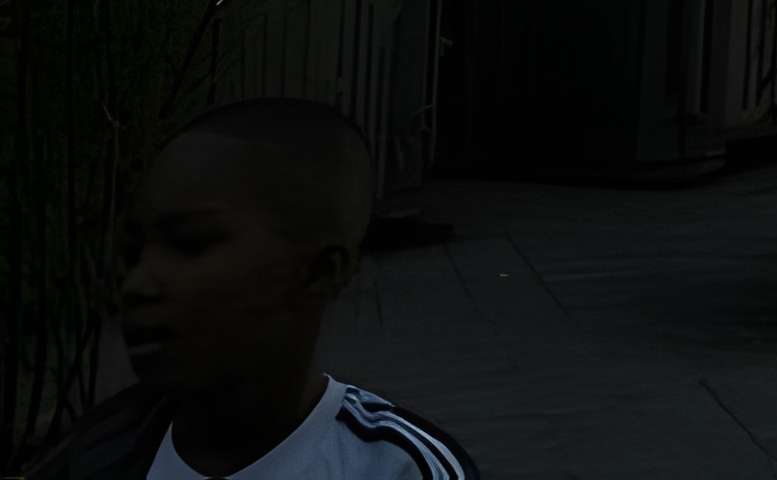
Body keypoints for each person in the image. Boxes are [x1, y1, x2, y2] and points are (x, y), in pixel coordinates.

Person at [32, 98, 475, 479]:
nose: (138, 283)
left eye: (190, 244)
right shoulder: (90, 457)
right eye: (133, 253)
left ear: (320, 272)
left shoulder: (397, 468)